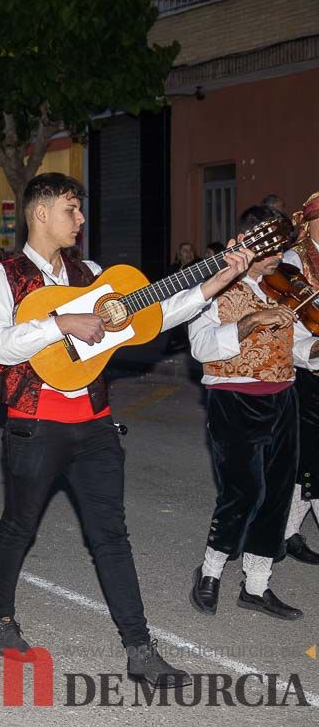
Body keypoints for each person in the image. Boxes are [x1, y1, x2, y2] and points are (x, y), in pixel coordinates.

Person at [0, 172, 251, 686]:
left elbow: (153, 315)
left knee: (112, 537)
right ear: (41, 214)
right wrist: (59, 324)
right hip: (34, 426)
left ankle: (139, 649)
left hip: (96, 426)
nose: (80, 220)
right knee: (19, 526)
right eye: (71, 209)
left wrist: (212, 283)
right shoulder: (5, 276)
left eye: (79, 210)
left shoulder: (91, 272)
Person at [188, 204, 316, 620]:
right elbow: (201, 347)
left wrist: (314, 347)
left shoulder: (283, 286)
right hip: (235, 399)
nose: (278, 254)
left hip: (284, 397)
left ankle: (257, 586)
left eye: (282, 246)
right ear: (247, 241)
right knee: (243, 491)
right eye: (270, 247)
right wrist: (251, 322)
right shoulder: (216, 285)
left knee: (278, 493)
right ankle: (209, 573)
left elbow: (296, 347)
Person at [276, 191, 319, 565]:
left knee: (310, 464)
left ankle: (286, 532)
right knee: (310, 461)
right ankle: (284, 532)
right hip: (305, 371)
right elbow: (292, 326)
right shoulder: (292, 262)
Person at [163, 242, 198, 354]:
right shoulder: (172, 269)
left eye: (190, 250)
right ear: (179, 255)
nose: (188, 253)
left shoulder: (199, 265)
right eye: (185, 250)